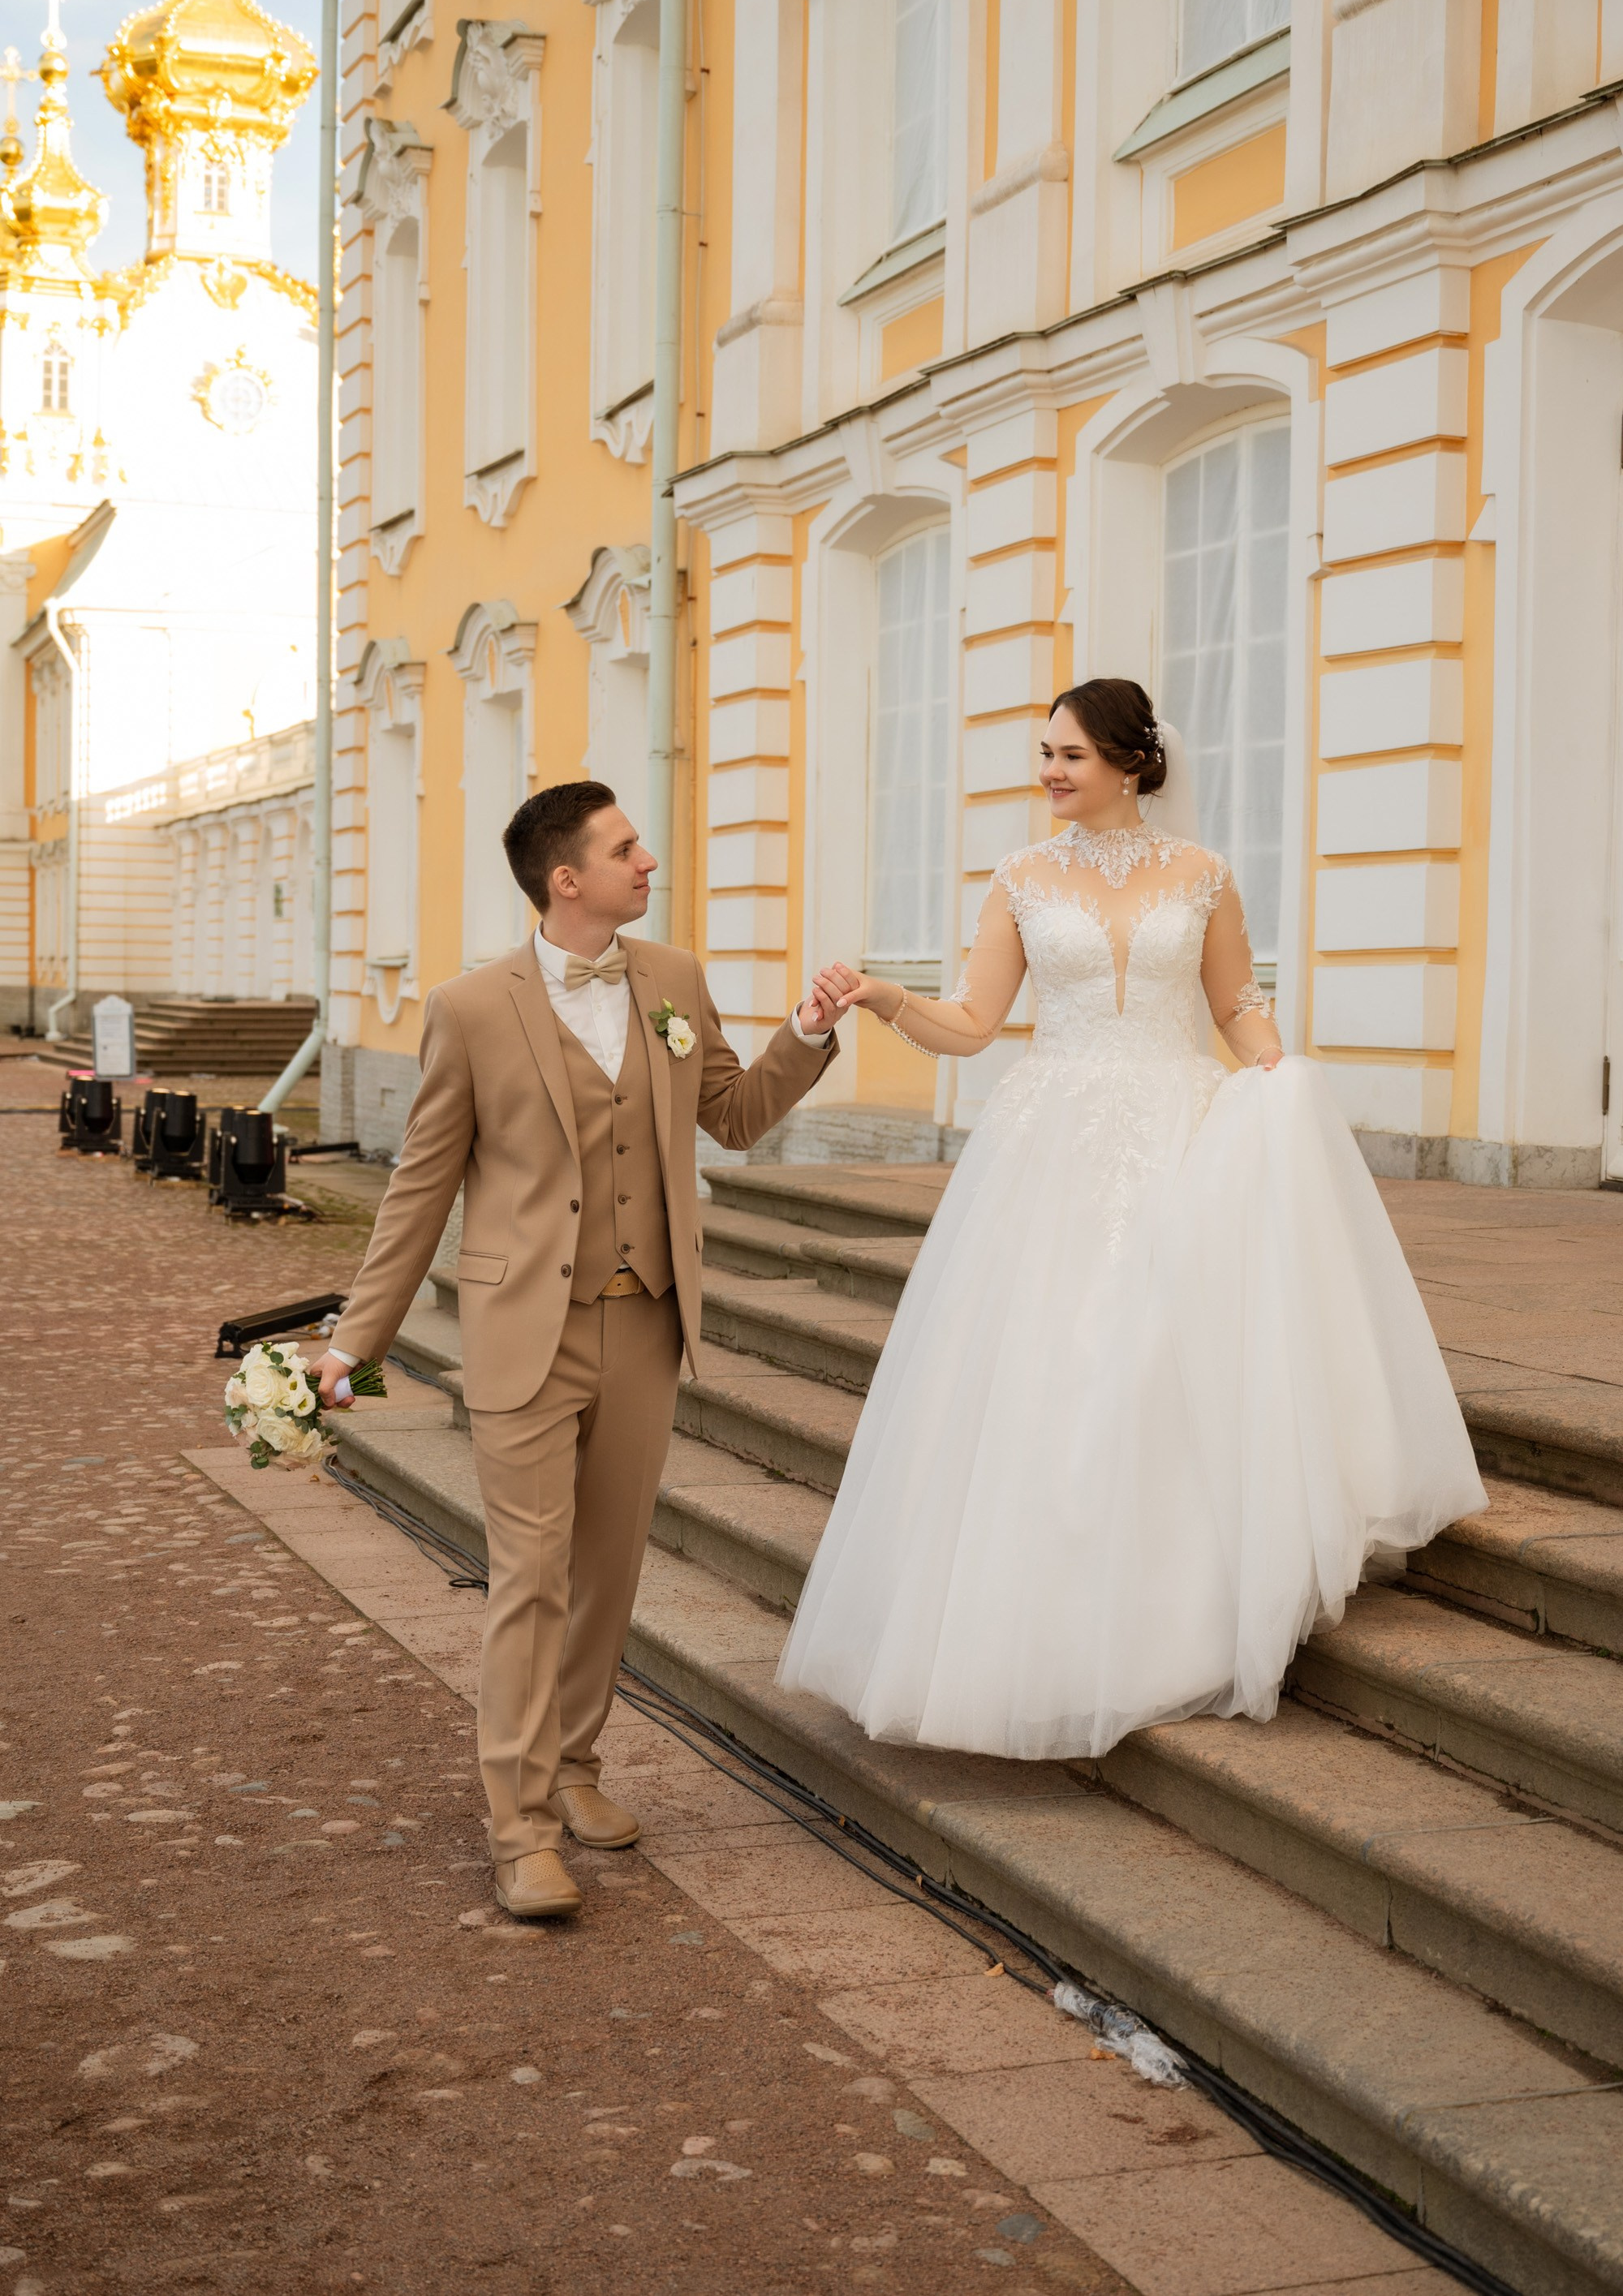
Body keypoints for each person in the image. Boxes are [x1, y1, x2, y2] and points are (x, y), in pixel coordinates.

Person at [776, 680, 1485, 1761]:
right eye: (1045, 753)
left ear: (1128, 762)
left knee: (1163, 1357)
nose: (1049, 772)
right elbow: (972, 1025)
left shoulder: (1202, 877)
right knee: (1058, 1365)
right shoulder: (1020, 879)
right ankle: (1043, 1633)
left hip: (1181, 1131)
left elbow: (1235, 1003)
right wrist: (880, 998)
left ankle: (1174, 1615)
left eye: (1069, 755)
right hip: (1051, 1145)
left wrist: (1277, 1079)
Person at [313, 782, 842, 1917]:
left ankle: (578, 1768)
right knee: (531, 1580)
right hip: (524, 1335)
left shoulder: (673, 982)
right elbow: (419, 1191)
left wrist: (806, 1033)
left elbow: (736, 1117)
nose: (647, 861)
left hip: (645, 1325)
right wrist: (353, 1343)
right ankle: (520, 1828)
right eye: (624, 848)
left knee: (608, 1575)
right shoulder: (470, 1010)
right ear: (568, 880)